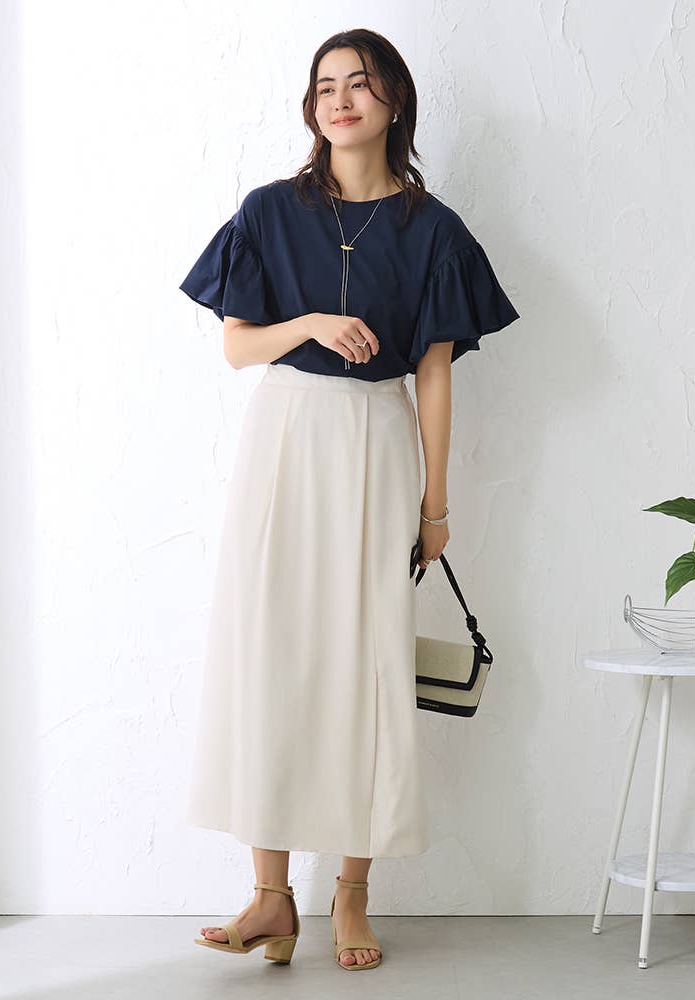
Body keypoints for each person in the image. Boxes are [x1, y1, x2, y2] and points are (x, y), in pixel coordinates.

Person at [178, 28, 520, 971]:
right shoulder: (269, 211)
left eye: (359, 84)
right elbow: (238, 346)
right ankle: (269, 897)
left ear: (393, 101)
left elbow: (436, 375)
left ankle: (352, 894)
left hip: (376, 442)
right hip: (285, 439)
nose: (340, 99)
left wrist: (437, 504)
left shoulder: (433, 230)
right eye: (325, 85)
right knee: (271, 651)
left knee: (368, 661)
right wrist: (313, 323)